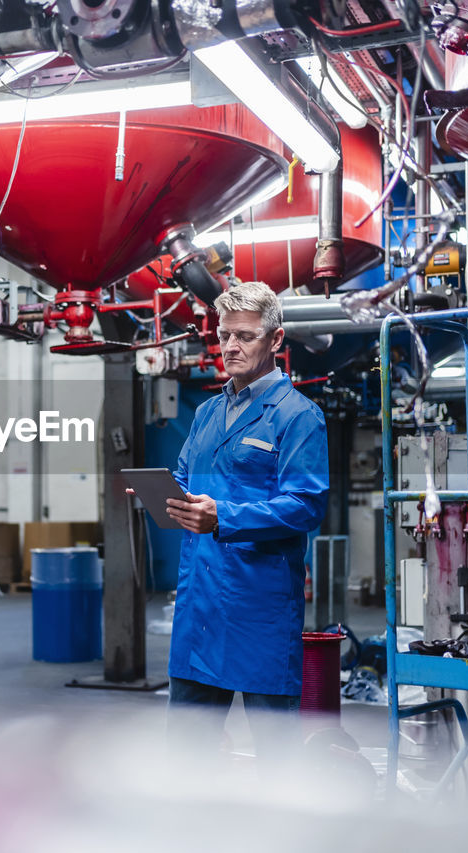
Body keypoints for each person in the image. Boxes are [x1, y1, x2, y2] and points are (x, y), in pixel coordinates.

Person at [158, 280, 329, 764]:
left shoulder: (299, 417)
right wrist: (159, 490)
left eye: (245, 336)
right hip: (200, 608)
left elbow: (306, 504)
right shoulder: (209, 412)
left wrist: (223, 516)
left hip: (259, 609)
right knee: (185, 757)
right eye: (224, 334)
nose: (230, 346)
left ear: (275, 340)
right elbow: (185, 475)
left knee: (276, 759)